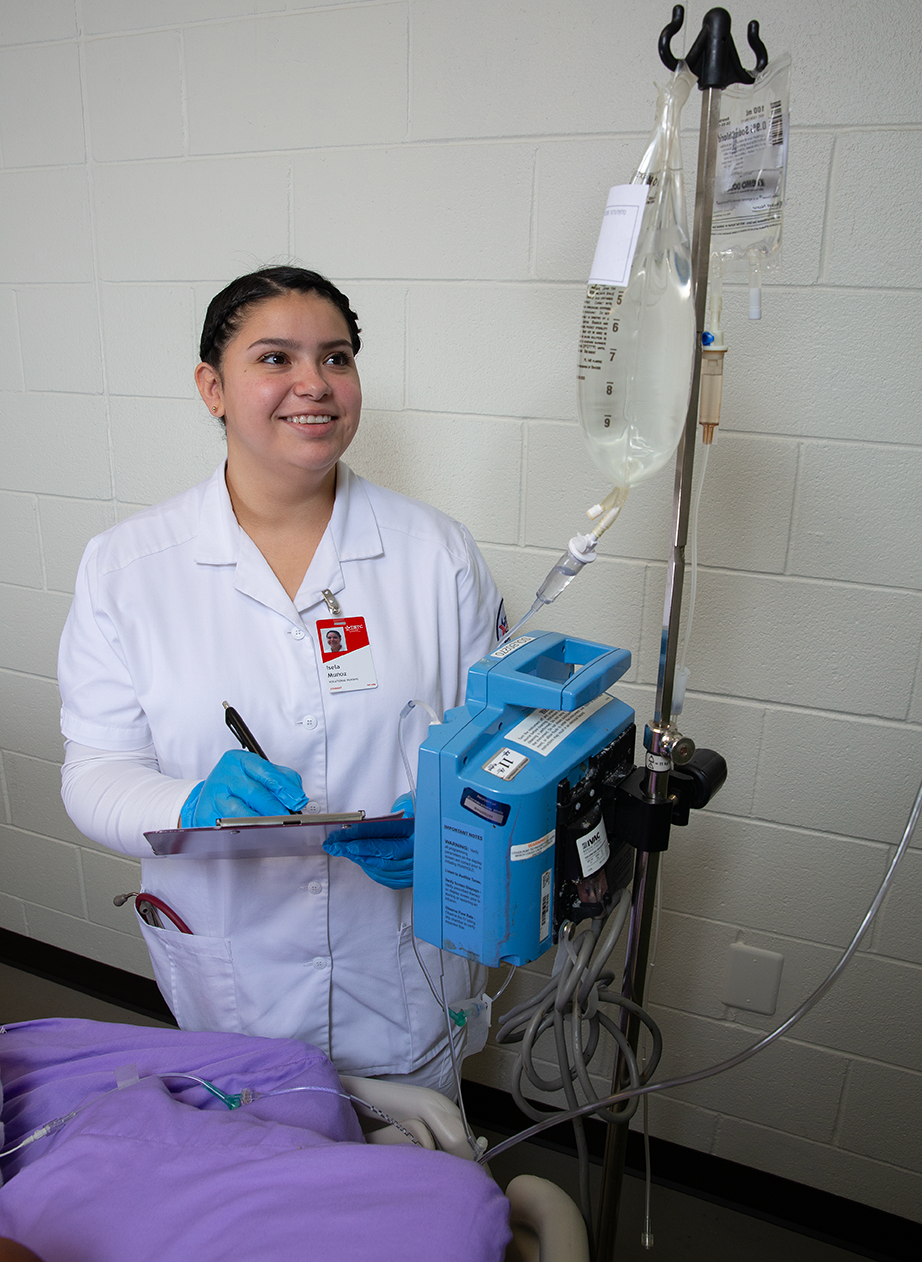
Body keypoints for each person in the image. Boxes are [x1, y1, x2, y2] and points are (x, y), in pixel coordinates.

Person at [58, 266, 504, 1093]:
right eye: (275, 358)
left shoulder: (438, 555)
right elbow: (94, 776)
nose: (315, 384)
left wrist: (451, 826)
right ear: (212, 387)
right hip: (236, 981)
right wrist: (188, 807)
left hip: (401, 970)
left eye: (337, 358)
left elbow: (495, 746)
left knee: (412, 1188)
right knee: (252, 1188)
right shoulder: (127, 569)